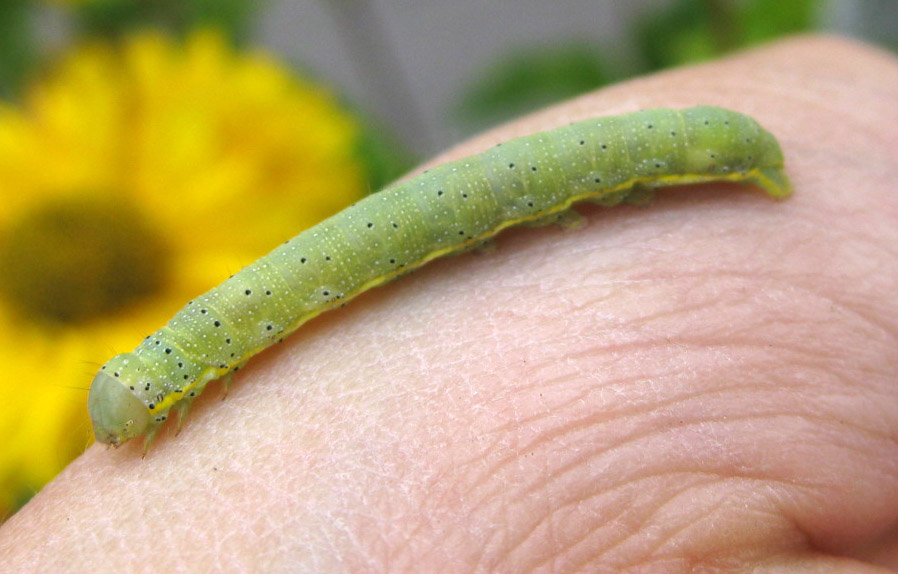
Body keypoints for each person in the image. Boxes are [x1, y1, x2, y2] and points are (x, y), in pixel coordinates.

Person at [1, 35, 896, 573]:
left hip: (691, 146)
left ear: (178, 375)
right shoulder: (223, 328)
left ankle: (712, 152)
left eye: (151, 395)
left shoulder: (220, 334)